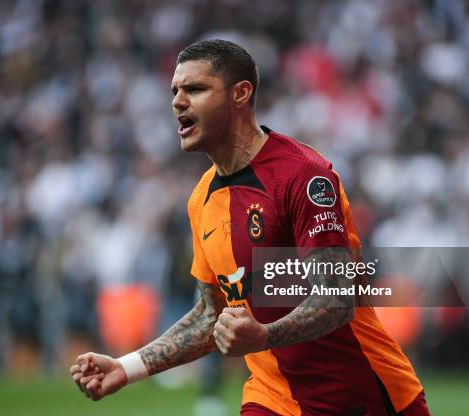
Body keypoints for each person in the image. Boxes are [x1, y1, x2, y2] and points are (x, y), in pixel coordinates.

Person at [70, 39, 430, 415]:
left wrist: (264, 335)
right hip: (272, 399)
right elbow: (213, 314)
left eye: (195, 89)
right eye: (174, 91)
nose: (177, 102)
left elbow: (335, 297)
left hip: (365, 396)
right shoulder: (201, 200)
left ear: (241, 94)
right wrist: (126, 368)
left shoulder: (303, 176)